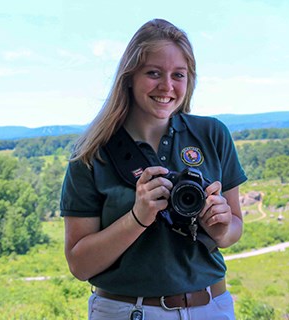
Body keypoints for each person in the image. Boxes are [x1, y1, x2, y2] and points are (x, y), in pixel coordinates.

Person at [60, 18, 247, 320]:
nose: (167, 86)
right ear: (129, 77)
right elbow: (80, 265)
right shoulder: (92, 153)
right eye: (153, 73)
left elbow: (234, 228)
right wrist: (138, 217)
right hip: (127, 310)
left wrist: (222, 226)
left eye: (178, 75)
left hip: (211, 306)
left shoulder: (212, 134)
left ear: (190, 81)